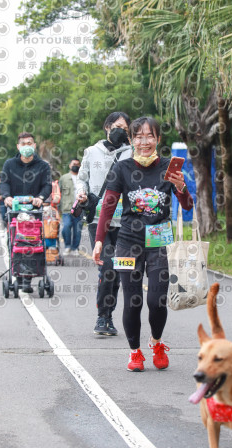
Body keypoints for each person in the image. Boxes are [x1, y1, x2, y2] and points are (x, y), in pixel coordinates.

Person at [93, 116, 194, 372]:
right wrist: (99, 241)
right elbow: (108, 206)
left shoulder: (168, 168)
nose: (144, 141)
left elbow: (188, 206)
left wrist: (181, 187)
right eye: (138, 136)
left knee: (157, 300)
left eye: (150, 136)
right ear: (131, 140)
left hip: (159, 237)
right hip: (128, 240)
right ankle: (135, 352)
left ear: (158, 139)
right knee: (133, 299)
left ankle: (157, 342)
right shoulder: (122, 168)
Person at [77, 112, 132, 336]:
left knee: (119, 270)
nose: (122, 131)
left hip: (126, 222)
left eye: (126, 129)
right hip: (99, 220)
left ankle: (109, 316)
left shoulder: (132, 152)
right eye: (118, 127)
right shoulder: (91, 152)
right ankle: (103, 316)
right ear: (107, 127)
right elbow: (82, 178)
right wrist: (81, 193)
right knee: (107, 266)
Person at [0, 132, 52, 293]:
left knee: (33, 241)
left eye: (29, 143)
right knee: (15, 241)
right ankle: (19, 275)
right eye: (23, 143)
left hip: (34, 211)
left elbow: (47, 185)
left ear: (34, 145)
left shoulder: (42, 166)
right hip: (15, 210)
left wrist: (41, 197)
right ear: (18, 146)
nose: (26, 146)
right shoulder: (9, 164)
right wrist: (7, 197)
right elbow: (4, 183)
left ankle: (28, 278)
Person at [59, 158, 82, 256]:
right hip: (67, 208)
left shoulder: (82, 178)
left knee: (78, 230)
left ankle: (75, 248)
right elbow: (59, 192)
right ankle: (67, 246)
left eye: (77, 164)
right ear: (70, 165)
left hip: (80, 209)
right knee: (66, 227)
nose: (75, 166)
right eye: (74, 164)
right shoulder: (64, 178)